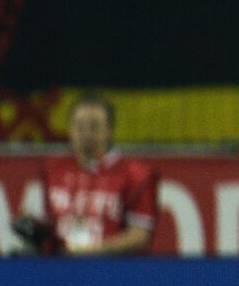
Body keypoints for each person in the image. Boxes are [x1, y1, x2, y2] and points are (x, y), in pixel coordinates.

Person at [14, 94, 159, 256]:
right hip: (62, 268)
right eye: (79, 126)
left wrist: (93, 252)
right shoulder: (53, 168)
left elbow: (139, 235)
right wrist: (36, 228)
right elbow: (53, 225)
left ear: (109, 130)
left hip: (114, 268)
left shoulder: (135, 174)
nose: (86, 134)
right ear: (69, 129)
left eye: (94, 127)